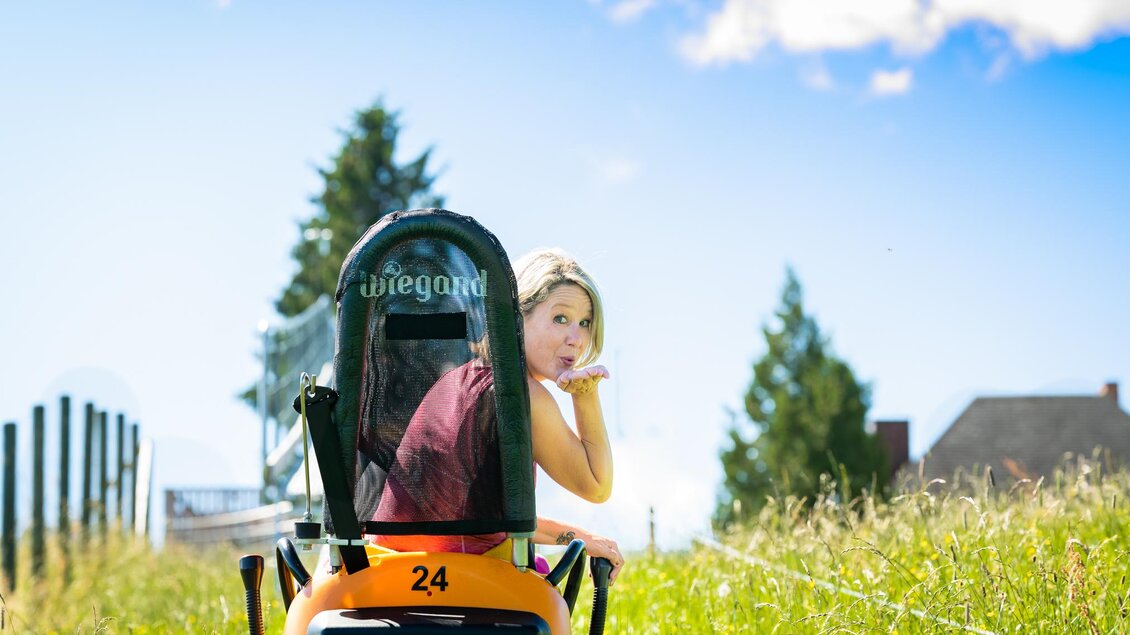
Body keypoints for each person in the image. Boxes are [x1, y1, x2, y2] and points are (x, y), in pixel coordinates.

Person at [372, 248, 624, 584]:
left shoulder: (459, 380)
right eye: (560, 318)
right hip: (464, 582)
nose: (575, 339)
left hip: (389, 572)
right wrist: (586, 396)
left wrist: (579, 536)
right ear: (517, 319)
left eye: (585, 323)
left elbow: (488, 522)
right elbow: (596, 485)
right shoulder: (522, 395)